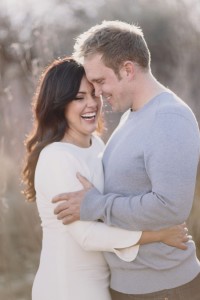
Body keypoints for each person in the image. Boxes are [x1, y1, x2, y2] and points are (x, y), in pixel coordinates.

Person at [52, 21, 200, 299]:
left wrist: (95, 205)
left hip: (164, 288)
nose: (97, 92)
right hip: (132, 285)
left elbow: (171, 208)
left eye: (100, 81)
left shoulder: (169, 118)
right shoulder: (133, 115)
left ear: (128, 69)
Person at [22, 57, 188, 300]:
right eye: (79, 98)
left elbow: (106, 206)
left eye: (94, 94)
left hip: (101, 281)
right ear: (59, 105)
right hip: (67, 286)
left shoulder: (96, 144)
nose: (91, 104)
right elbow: (88, 235)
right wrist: (159, 235)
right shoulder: (56, 157)